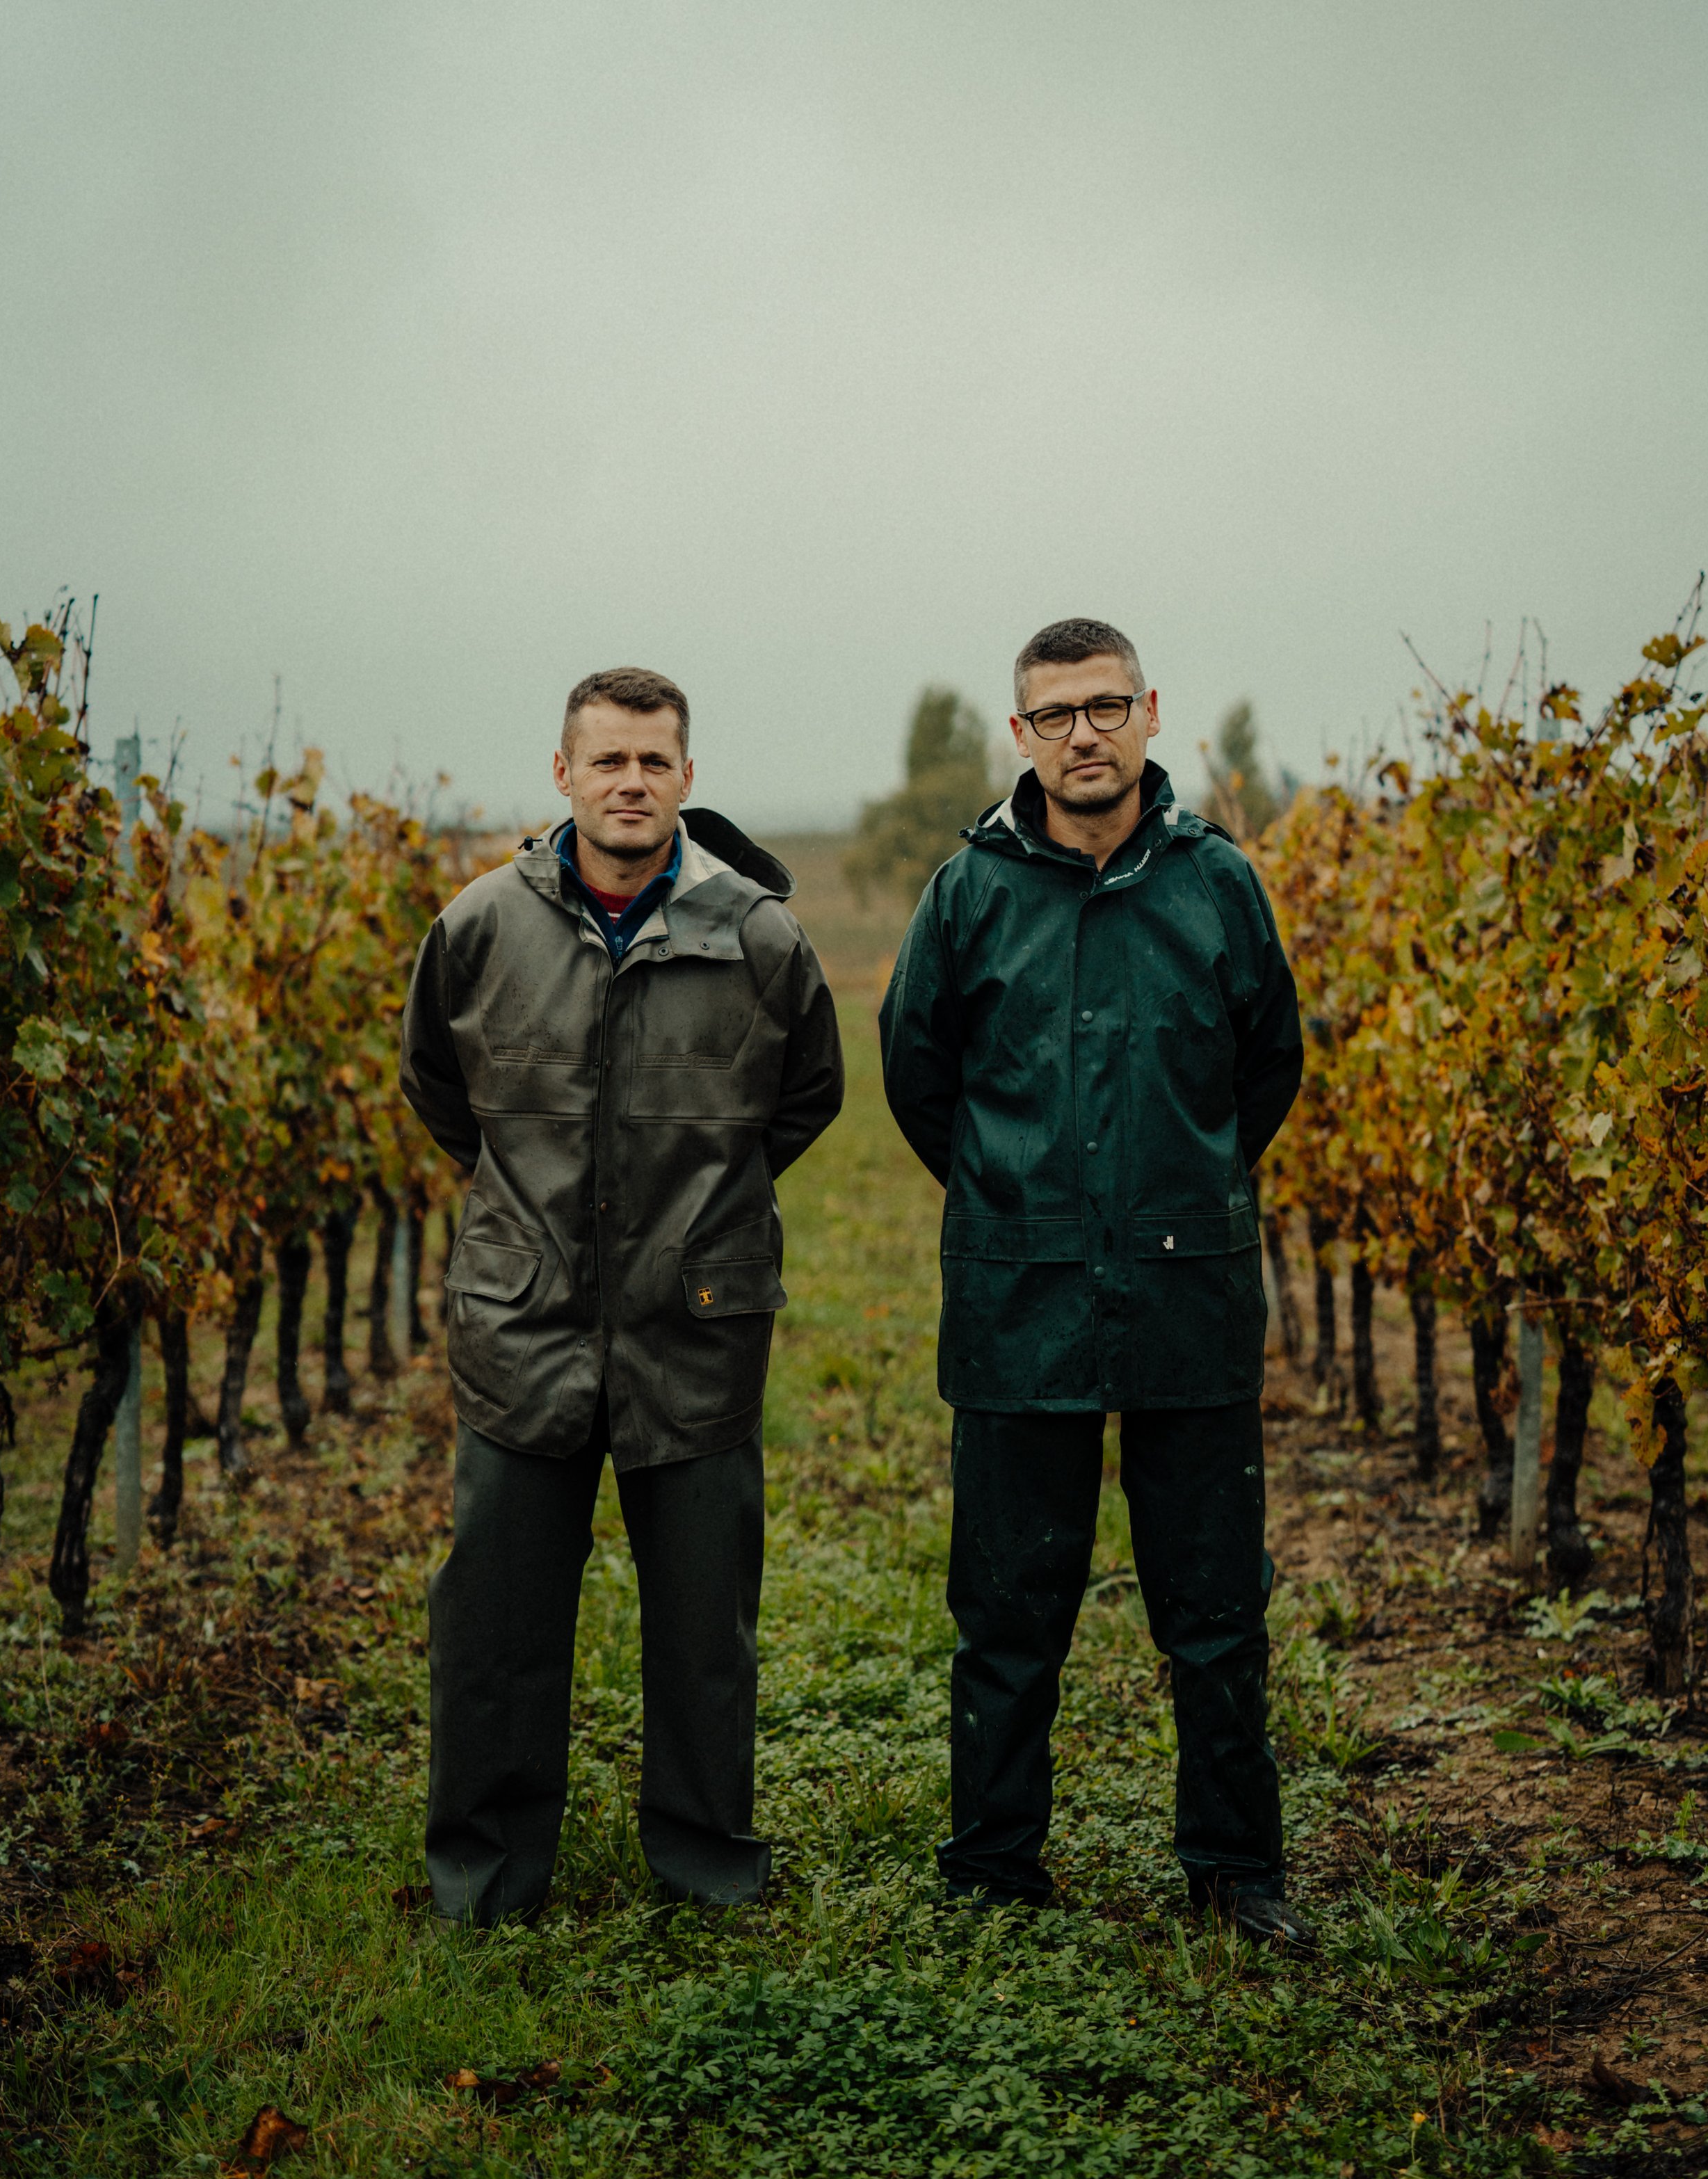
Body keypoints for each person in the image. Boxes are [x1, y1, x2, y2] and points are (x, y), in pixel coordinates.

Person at [878, 617, 1310, 1944]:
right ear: (1021, 736)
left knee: (1216, 1610)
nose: (1083, 733)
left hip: (1191, 1297)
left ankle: (1235, 1872)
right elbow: (918, 1073)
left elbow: (1266, 1066)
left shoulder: (1216, 884)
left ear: (1149, 715)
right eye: (1056, 713)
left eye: (1106, 706)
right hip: (1021, 1303)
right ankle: (996, 1869)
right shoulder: (970, 894)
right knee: (1007, 1608)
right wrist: (1018, 1196)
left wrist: (1178, 1191)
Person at [401, 665, 843, 1923]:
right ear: (563, 775)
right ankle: (486, 1881)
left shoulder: (760, 937)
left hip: (693, 1333)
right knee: (494, 1622)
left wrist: (703, 1215)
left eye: (655, 762)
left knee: (706, 1630)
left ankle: (705, 1870)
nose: (631, 782)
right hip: (520, 1326)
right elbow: (441, 1087)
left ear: (689, 779)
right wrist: (533, 1214)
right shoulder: (482, 926)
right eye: (607, 760)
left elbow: (806, 1095)